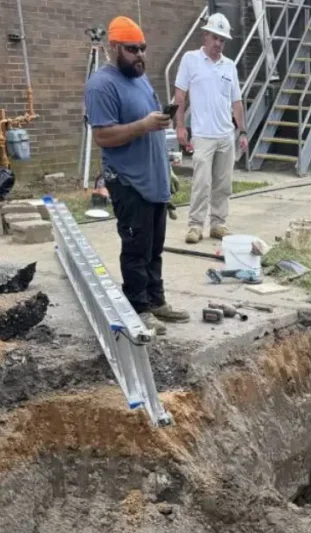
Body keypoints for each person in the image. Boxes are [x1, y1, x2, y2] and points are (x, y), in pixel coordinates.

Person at [84, 16, 189, 335]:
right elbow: (102, 136)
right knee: (136, 248)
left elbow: (150, 122)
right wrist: (143, 125)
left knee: (154, 246)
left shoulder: (140, 77)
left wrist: (160, 126)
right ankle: (138, 308)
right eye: (132, 49)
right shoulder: (101, 85)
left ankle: (156, 301)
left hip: (153, 178)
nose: (140, 55)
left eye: (143, 48)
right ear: (114, 48)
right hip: (129, 181)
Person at [173, 12, 249, 245]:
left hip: (226, 135)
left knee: (223, 184)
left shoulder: (230, 67)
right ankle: (195, 226)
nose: (218, 43)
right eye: (215, 37)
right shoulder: (190, 60)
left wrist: (243, 132)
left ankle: (218, 224)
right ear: (205, 35)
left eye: (222, 40)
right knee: (201, 183)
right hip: (203, 136)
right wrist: (180, 126)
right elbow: (180, 95)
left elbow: (236, 102)